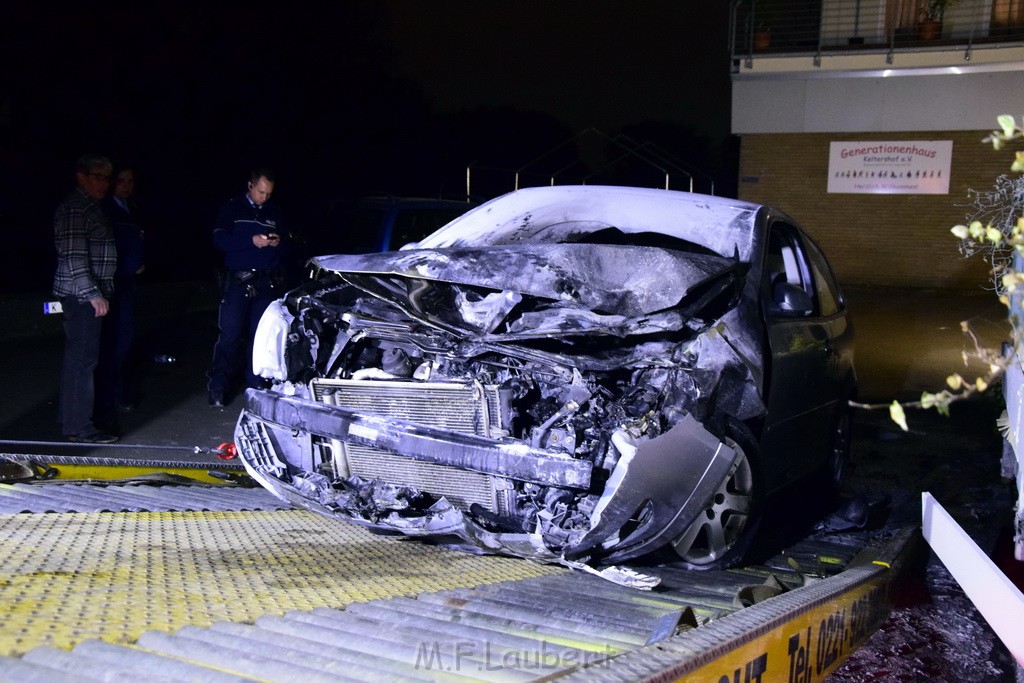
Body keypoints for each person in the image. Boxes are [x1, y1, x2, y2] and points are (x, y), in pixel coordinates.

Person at [207, 168, 287, 408]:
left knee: (260, 339)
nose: (264, 197)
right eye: (261, 192)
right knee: (229, 336)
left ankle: (256, 386)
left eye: (269, 193)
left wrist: (278, 242)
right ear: (250, 186)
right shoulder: (232, 208)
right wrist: (250, 241)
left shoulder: (275, 212)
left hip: (267, 282)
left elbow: (286, 246)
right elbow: (219, 240)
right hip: (239, 282)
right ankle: (217, 388)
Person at [52, 154, 118, 443]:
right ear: (81, 176)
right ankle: (80, 427)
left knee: (79, 360)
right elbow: (74, 256)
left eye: (106, 178)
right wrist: (94, 295)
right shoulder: (76, 208)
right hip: (81, 297)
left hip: (85, 295)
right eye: (97, 177)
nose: (103, 184)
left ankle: (71, 420)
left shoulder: (90, 206)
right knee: (83, 361)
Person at [96, 163, 145, 421]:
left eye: (130, 181)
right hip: (115, 284)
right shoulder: (108, 210)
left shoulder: (130, 208)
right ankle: (112, 395)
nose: (126, 186)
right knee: (115, 343)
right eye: (121, 181)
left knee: (126, 340)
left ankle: (119, 392)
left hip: (129, 285)